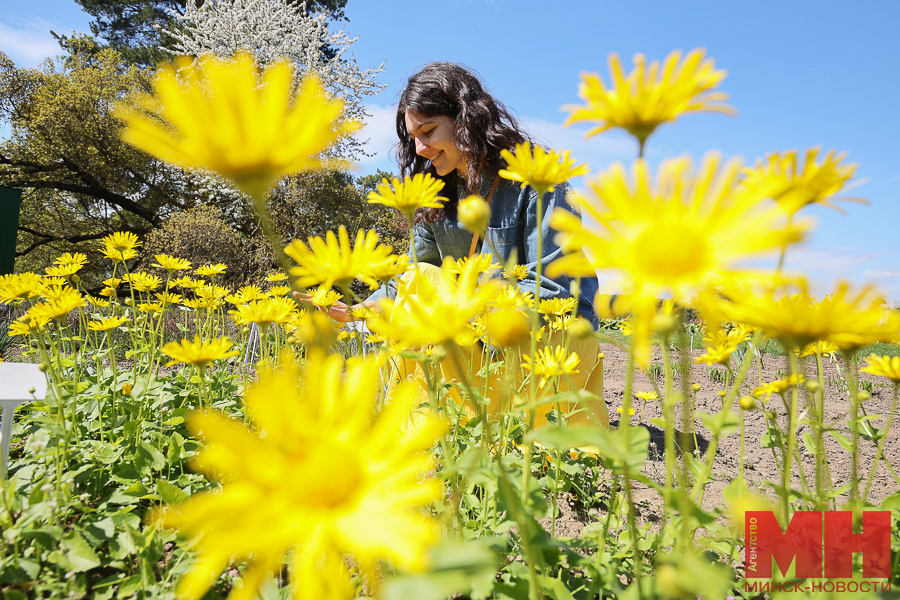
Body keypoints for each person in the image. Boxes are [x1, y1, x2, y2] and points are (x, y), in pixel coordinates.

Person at [300, 62, 609, 428]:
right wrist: (358, 312)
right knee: (420, 282)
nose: (420, 148)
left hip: (547, 347)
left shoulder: (537, 179)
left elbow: (557, 289)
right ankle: (418, 429)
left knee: (540, 459)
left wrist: (469, 304)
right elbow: (417, 273)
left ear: (466, 119)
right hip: (478, 342)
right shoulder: (436, 195)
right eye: (413, 137)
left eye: (428, 131)